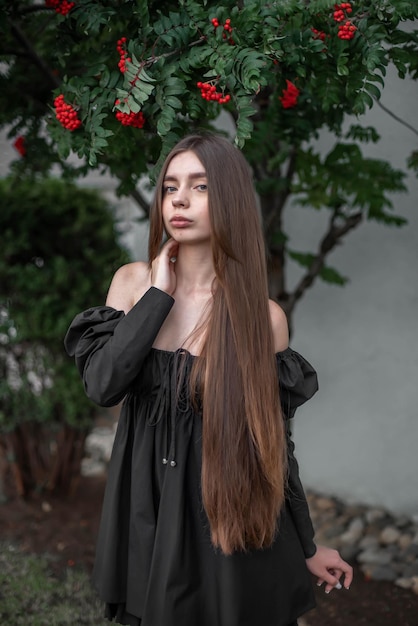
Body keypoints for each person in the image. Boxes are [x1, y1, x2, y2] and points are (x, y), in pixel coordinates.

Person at [64, 133, 353, 626]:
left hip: (227, 521)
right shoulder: (133, 285)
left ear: (230, 199)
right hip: (147, 516)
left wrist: (306, 543)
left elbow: (273, 444)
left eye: (200, 187)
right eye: (170, 187)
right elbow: (103, 385)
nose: (179, 198)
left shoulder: (262, 317)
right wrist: (159, 295)